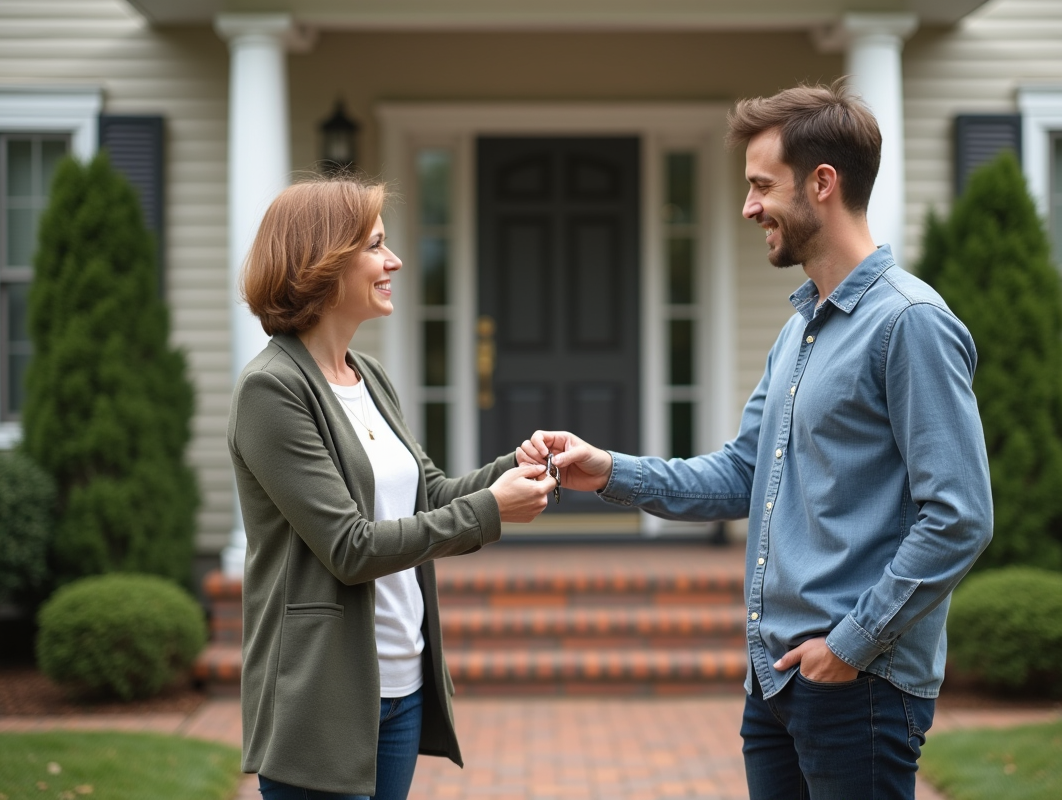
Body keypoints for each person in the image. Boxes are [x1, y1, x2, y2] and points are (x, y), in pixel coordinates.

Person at [520, 83, 993, 799]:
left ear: (823, 184)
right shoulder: (800, 330)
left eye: (761, 186)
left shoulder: (909, 324)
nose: (748, 208)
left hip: (857, 684)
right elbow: (743, 474)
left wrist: (851, 646)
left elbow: (959, 516)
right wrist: (607, 470)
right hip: (776, 681)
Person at [228, 178, 556, 800]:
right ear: (323, 263)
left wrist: (512, 466)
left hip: (401, 683)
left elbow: (427, 496)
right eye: (376, 246)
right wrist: (492, 509)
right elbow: (350, 548)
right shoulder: (271, 391)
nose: (395, 261)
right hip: (322, 693)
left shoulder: (368, 375)